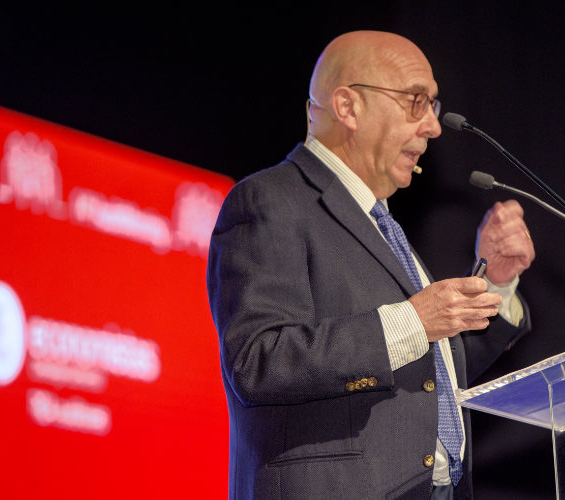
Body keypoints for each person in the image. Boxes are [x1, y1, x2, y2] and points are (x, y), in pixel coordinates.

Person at [207, 30, 535, 499]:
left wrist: (496, 285)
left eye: (434, 107)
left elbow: (428, 377)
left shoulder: (382, 225)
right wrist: (414, 320)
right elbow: (260, 363)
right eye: (416, 101)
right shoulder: (269, 201)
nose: (434, 127)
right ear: (348, 107)